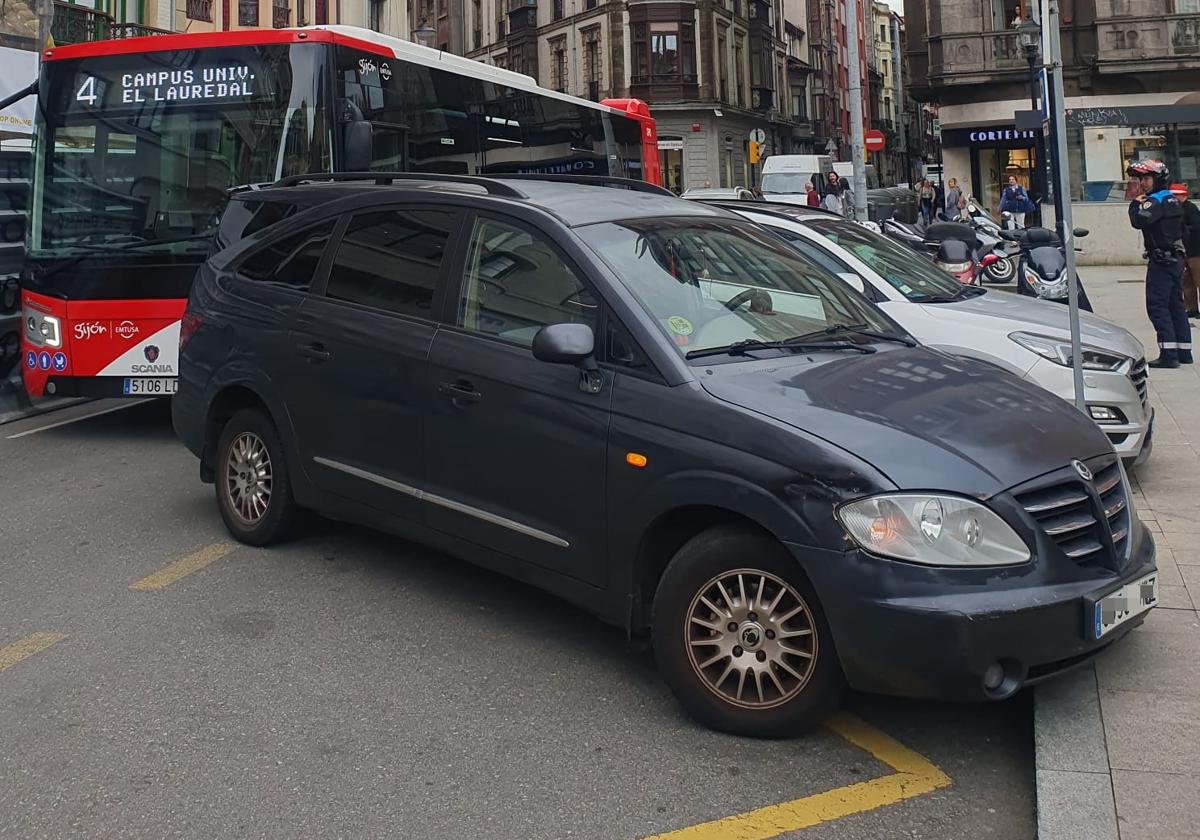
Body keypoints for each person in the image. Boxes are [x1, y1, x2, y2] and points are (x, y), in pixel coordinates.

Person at [1128, 160, 1193, 367]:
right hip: (1175, 258)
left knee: (1157, 305)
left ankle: (1168, 355)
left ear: (1158, 179)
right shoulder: (1172, 200)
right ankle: (1183, 352)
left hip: (1162, 260)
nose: (1143, 183)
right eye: (1141, 179)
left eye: (1146, 179)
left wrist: (1135, 204)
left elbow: (1138, 221)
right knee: (1176, 304)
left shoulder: (1155, 202)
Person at [1172, 182, 1200, 318]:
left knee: (1198, 280)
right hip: (1186, 252)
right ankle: (1192, 309)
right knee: (1187, 282)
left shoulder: (1191, 209)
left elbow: (1196, 228)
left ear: (1182, 196)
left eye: (1175, 195)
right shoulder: (1178, 210)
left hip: (1196, 252)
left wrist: (1183, 231)